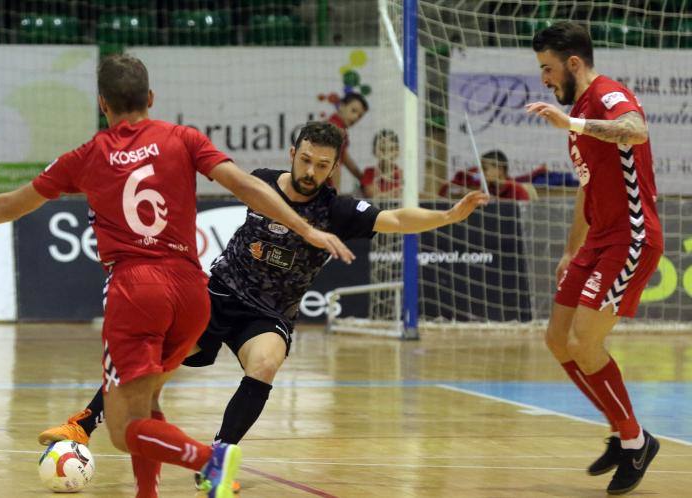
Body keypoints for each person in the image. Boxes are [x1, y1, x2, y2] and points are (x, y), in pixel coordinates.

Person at [0, 54, 355, 498]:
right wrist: (305, 227)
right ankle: (146, 492)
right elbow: (247, 186)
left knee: (123, 427)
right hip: (192, 292)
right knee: (147, 402)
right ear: (151, 98)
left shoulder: (88, 155)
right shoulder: (182, 138)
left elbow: (19, 201)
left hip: (136, 289)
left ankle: (210, 459)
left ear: (102, 104)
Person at [38, 121, 488, 490]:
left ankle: (217, 459)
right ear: (294, 152)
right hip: (218, 295)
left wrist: (447, 215)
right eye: (306, 159)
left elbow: (395, 219)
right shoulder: (264, 184)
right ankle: (83, 422)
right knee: (151, 369)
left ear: (333, 169)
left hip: (269, 314)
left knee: (266, 363)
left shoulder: (338, 210)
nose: (312, 171)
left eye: (323, 166)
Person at [526, 22, 663, 495]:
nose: (544, 78)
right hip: (598, 239)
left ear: (574, 63)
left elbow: (636, 130)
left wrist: (575, 124)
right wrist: (570, 250)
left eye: (548, 68)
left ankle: (635, 440)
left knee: (586, 340)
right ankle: (624, 434)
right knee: (558, 339)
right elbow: (589, 193)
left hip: (631, 237)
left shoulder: (604, 97)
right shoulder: (580, 112)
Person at [439, 150, 532, 200]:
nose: (481, 173)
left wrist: (495, 202)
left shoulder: (517, 190)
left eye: (485, 169)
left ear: (499, 169)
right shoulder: (484, 189)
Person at [327, 93, 369, 192]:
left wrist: (364, 180)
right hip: (323, 188)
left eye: (359, 116)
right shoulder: (337, 130)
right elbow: (334, 162)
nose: (355, 117)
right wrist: (336, 193)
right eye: (353, 111)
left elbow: (345, 158)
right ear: (341, 106)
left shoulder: (333, 125)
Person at [360, 129, 402, 198]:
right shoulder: (369, 173)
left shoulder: (402, 174)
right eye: (382, 149)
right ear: (374, 151)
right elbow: (372, 195)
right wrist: (396, 193)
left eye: (391, 149)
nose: (387, 154)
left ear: (397, 151)